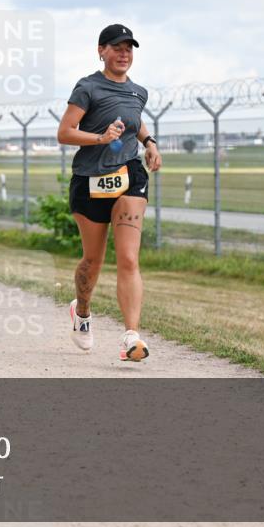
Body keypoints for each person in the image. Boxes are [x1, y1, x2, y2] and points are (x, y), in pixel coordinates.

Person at [55, 24, 162, 362]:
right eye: (117, 47)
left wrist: (149, 143)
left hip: (129, 173)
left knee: (129, 257)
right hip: (90, 178)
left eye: (129, 48)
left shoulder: (138, 92)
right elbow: (65, 132)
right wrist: (100, 138)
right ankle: (82, 312)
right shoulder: (88, 87)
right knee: (93, 259)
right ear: (101, 50)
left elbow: (134, 119)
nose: (124, 53)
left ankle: (132, 336)